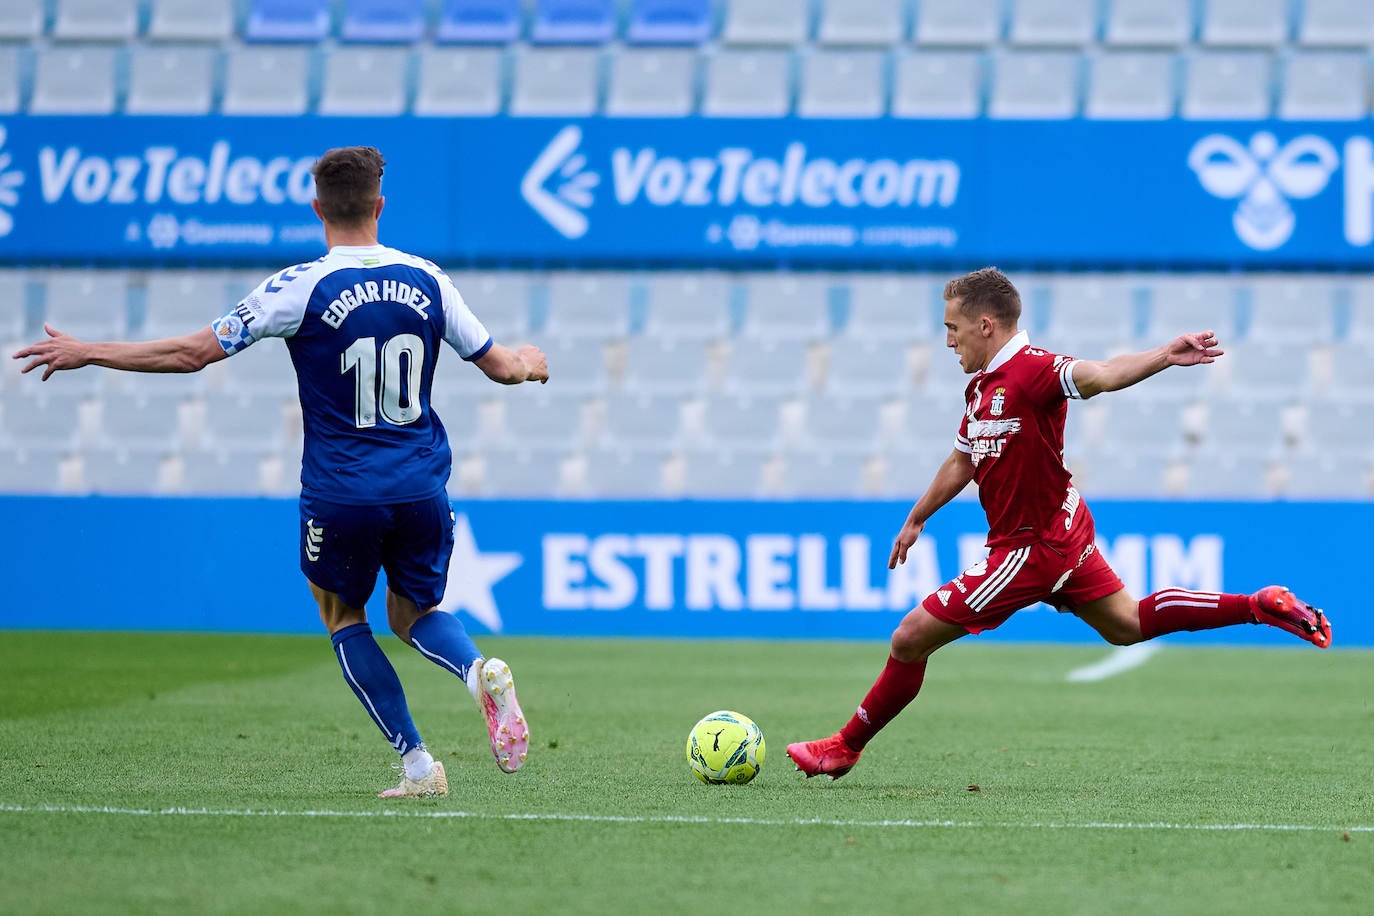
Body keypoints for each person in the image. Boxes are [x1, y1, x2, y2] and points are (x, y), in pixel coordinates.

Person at [13, 146, 549, 799]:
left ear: (318, 208)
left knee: (342, 614)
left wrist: (87, 350)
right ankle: (477, 671)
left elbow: (191, 354)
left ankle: (418, 766)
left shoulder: (300, 286)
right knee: (415, 615)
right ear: (381, 205)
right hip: (421, 485)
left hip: (342, 491)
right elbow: (501, 366)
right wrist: (531, 360)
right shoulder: (429, 280)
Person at [786, 267, 1331, 780]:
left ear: (985, 324)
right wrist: (916, 519)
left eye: (952, 328)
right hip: (1062, 532)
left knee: (908, 638)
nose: (948, 341)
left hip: (1030, 549)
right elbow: (963, 460)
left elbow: (1100, 376)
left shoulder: (1036, 371)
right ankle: (1258, 605)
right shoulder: (980, 388)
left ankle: (844, 746)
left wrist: (1165, 354)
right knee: (1127, 625)